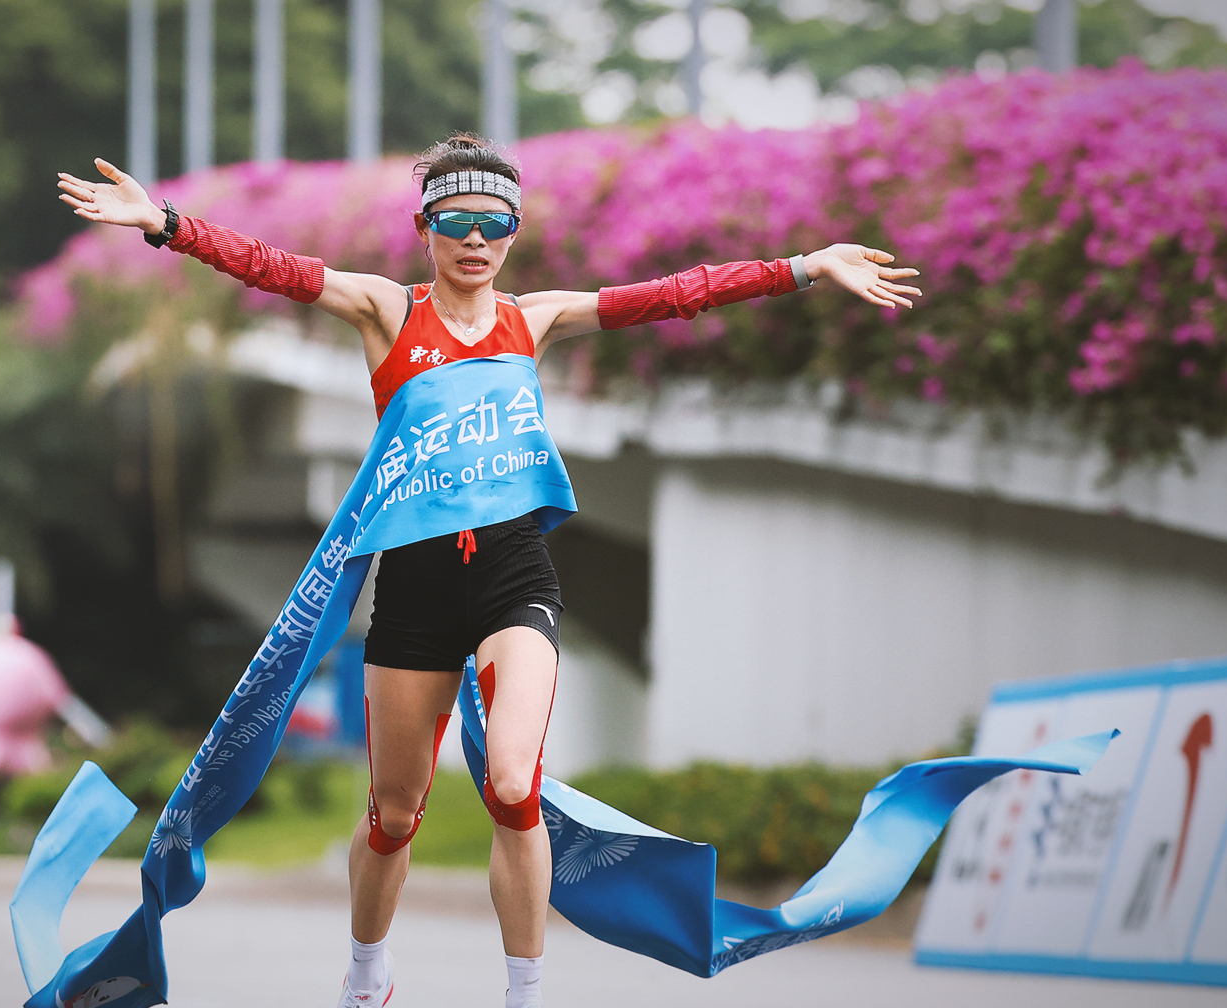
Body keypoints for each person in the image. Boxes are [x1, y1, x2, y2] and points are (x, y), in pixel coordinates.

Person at [58, 134, 920, 1008]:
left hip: (515, 577)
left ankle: (524, 993)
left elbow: (671, 297)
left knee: (514, 785)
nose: (476, 239)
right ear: (426, 229)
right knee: (394, 815)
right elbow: (272, 268)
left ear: (513, 232)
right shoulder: (386, 312)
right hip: (415, 593)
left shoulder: (533, 318)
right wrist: (163, 223)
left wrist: (804, 267)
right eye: (456, 221)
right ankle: (366, 975)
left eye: (494, 224)